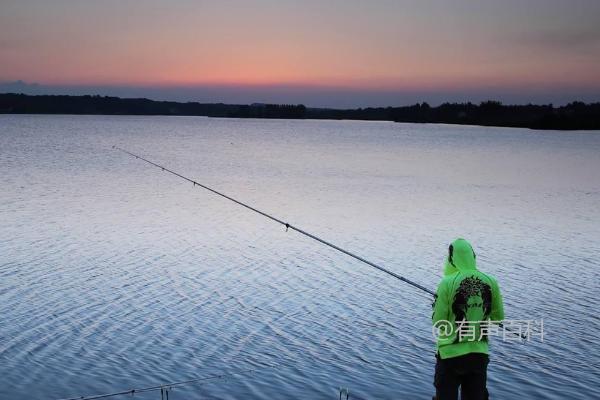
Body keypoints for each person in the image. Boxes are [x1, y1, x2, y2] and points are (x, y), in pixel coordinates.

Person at [432, 238, 504, 400]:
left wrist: (436, 305)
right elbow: (498, 318)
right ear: (473, 256)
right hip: (478, 355)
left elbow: (438, 322)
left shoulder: (447, 282)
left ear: (451, 258)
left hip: (450, 355)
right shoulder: (491, 281)